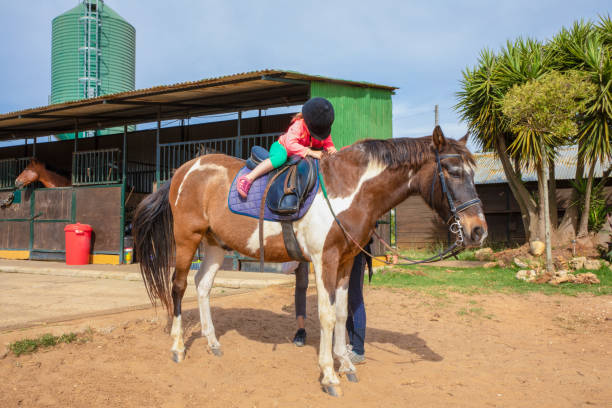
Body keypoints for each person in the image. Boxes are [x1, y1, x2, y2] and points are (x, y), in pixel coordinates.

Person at [237, 97, 337, 198]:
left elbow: (328, 143)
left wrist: (331, 149)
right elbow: (290, 144)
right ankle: (248, 178)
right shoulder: (298, 126)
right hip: (282, 148)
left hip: (298, 154)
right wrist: (310, 152)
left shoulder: (322, 131)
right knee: (280, 158)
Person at [292, 245, 371, 365]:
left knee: (355, 297)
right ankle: (353, 344)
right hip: (346, 251)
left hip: (357, 251)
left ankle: (359, 351)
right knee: (347, 298)